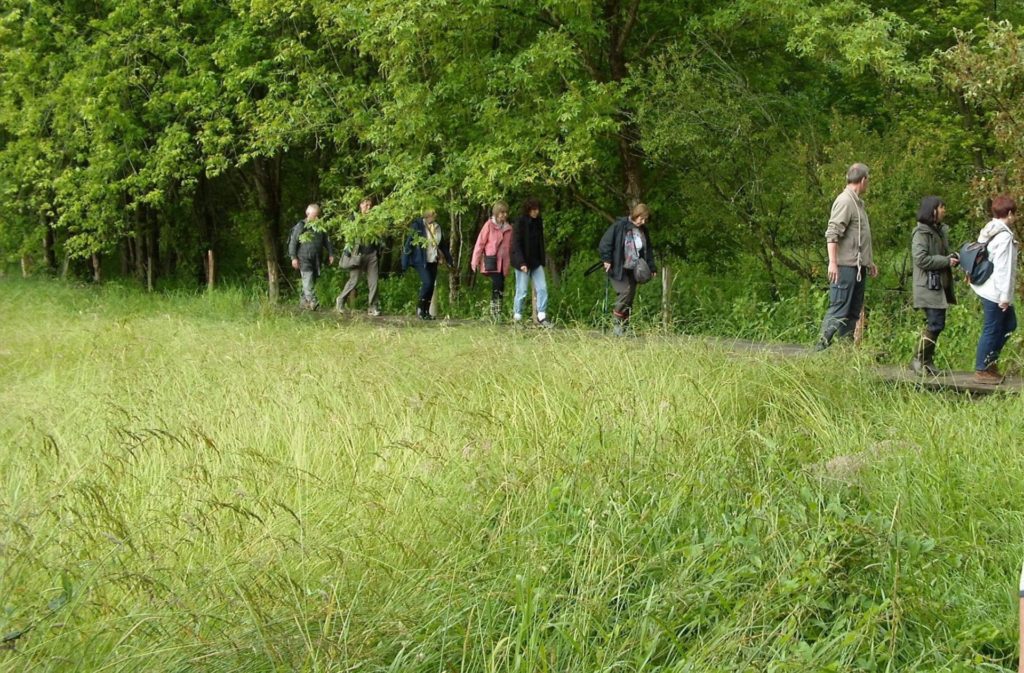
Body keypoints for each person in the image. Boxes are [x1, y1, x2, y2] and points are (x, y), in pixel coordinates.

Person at [815, 163, 877, 350]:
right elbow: (832, 233)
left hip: (858, 266)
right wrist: (833, 263)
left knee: (852, 312)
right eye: (868, 180)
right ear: (863, 179)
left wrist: (869, 261)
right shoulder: (845, 201)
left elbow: (858, 237)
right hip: (845, 267)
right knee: (839, 309)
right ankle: (820, 348)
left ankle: (845, 352)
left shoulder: (858, 203)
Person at [972, 195, 1019, 384]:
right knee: (992, 328)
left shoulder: (990, 230)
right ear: (1009, 213)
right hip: (995, 291)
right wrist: (1004, 297)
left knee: (1009, 324)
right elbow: (1003, 268)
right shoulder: (1005, 236)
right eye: (1014, 213)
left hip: (987, 286)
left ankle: (990, 362)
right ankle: (982, 369)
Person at [910, 196, 958, 375]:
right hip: (927, 286)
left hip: (938, 286)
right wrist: (946, 261)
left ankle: (927, 362)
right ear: (933, 211)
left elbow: (941, 254)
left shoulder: (940, 231)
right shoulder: (921, 233)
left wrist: (952, 257)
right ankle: (918, 359)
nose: (944, 210)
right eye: (941, 207)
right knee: (935, 323)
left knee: (938, 323)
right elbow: (920, 259)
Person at [598, 203, 656, 337]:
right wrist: (606, 259)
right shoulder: (620, 226)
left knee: (630, 298)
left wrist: (651, 266)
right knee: (626, 292)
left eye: (645, 220)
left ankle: (625, 327)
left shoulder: (643, 230)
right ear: (635, 215)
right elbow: (605, 243)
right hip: (618, 266)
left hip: (634, 268)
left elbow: (648, 250)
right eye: (641, 218)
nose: (643, 222)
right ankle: (616, 323)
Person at [401, 209, 452, 320]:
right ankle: (420, 309)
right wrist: (404, 262)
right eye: (432, 215)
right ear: (427, 216)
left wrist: (449, 260)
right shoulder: (417, 226)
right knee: (427, 283)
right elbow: (409, 242)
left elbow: (442, 244)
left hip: (433, 259)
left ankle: (426, 311)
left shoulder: (438, 227)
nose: (434, 217)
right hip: (420, 260)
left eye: (434, 216)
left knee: (431, 286)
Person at [335, 197, 381, 316]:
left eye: (370, 205)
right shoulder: (353, 218)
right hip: (357, 255)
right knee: (354, 281)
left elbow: (380, 236)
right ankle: (341, 300)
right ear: (360, 205)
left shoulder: (375, 220)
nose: (368, 208)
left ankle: (373, 306)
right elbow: (348, 237)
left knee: (374, 281)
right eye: (366, 205)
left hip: (372, 254)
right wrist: (348, 253)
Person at [511, 198, 552, 327]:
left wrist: (541, 259)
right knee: (522, 291)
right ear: (528, 210)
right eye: (534, 210)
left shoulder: (538, 222)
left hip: (536, 261)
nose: (536, 212)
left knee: (542, 288)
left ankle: (542, 315)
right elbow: (516, 245)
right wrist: (522, 262)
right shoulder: (520, 222)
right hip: (523, 262)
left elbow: (540, 242)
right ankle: (517, 317)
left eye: (537, 209)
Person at [471, 201, 514, 320]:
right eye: (501, 212)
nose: (504, 215)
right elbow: (480, 243)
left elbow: (511, 246)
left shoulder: (509, 228)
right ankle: (495, 312)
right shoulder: (489, 225)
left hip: (503, 263)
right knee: (497, 284)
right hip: (492, 261)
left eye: (505, 213)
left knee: (500, 286)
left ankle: (497, 311)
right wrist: (475, 260)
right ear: (496, 213)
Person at [287, 204, 334, 310]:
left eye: (318, 215)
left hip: (316, 259)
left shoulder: (320, 226)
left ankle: (303, 303)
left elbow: (327, 241)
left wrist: (331, 254)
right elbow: (293, 242)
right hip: (303, 258)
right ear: (308, 214)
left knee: (310, 280)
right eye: (314, 215)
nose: (316, 218)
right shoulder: (301, 225)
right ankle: (313, 302)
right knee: (308, 280)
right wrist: (293, 257)